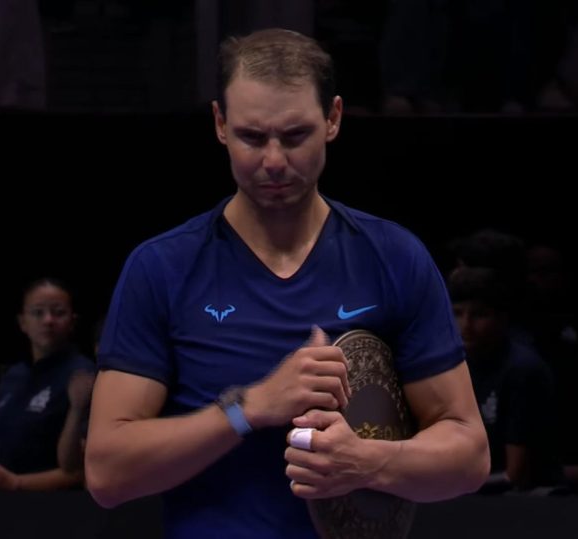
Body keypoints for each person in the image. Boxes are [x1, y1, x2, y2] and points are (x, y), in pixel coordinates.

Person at [85, 28, 489, 539]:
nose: (273, 161)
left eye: (295, 135)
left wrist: (366, 463)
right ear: (220, 124)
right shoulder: (161, 267)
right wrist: (248, 408)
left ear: (334, 119)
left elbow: (469, 455)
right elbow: (106, 474)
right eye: (253, 137)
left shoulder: (394, 258)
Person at [0, 278, 94, 491]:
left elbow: (79, 470)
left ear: (72, 322)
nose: (48, 320)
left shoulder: (83, 375)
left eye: (58, 312)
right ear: (23, 322)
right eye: (38, 312)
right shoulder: (14, 376)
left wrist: (16, 483)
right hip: (2, 507)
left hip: (55, 509)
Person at [448, 266, 563, 492]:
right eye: (457, 313)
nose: (466, 324)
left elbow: (515, 474)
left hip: (532, 503)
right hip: (475, 492)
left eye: (480, 314)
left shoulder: (523, 370)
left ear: (503, 318)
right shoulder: (452, 364)